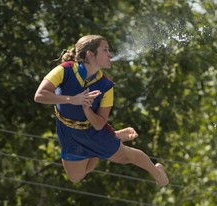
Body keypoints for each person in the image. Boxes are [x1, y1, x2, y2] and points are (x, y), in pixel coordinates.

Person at [34, 35, 169, 186]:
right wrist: (72, 100)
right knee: (75, 178)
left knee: (127, 157)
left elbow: (99, 124)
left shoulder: (106, 86)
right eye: (105, 50)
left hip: (93, 132)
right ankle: (114, 137)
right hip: (68, 132)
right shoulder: (65, 70)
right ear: (90, 54)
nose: (110, 54)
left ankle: (157, 172)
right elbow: (39, 96)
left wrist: (87, 109)